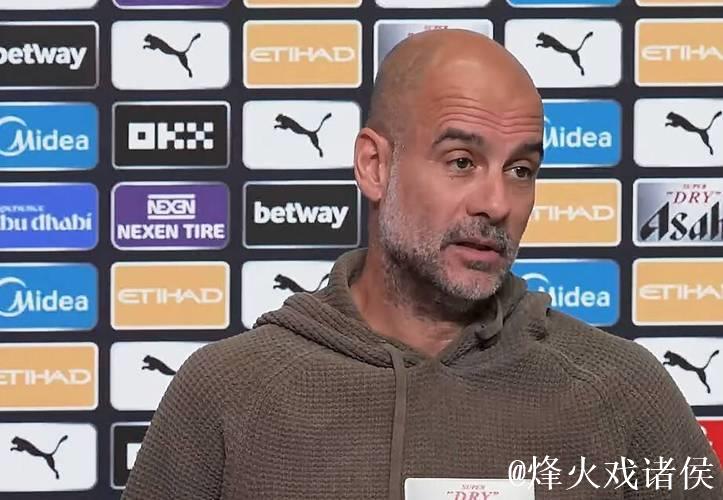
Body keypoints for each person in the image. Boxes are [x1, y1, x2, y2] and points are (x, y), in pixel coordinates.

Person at [121, 29, 722, 500]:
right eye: (462, 161)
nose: (497, 203)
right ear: (374, 166)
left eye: (521, 170)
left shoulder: (621, 392)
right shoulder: (227, 391)